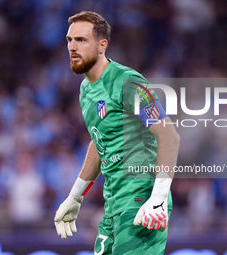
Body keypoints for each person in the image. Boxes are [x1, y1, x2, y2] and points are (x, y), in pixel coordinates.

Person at [54, 11, 180, 255]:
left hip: (141, 201)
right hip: (113, 207)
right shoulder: (85, 90)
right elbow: (100, 142)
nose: (72, 47)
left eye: (81, 40)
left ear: (102, 46)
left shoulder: (126, 82)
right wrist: (75, 196)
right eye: (69, 40)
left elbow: (168, 134)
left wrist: (158, 198)